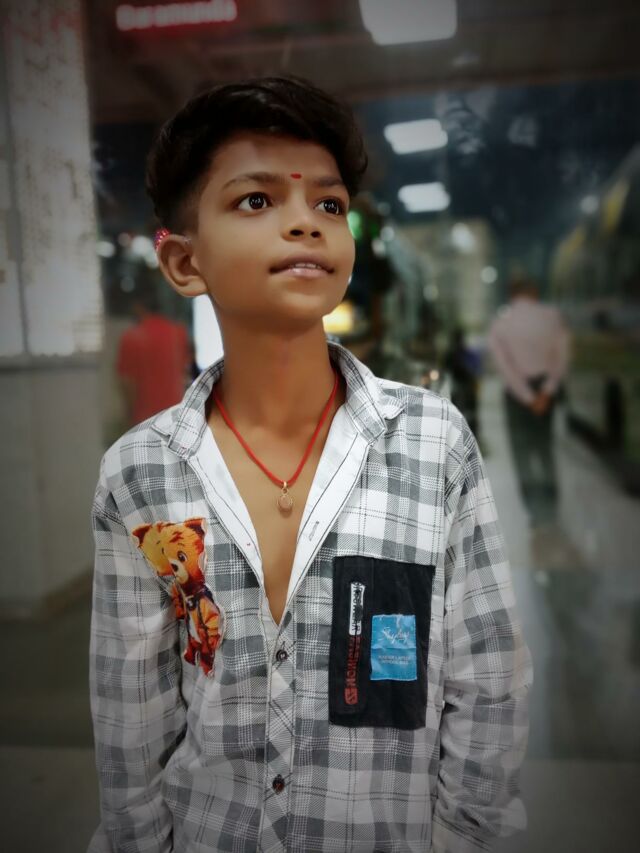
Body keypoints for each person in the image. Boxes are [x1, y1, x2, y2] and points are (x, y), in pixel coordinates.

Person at [89, 76, 532, 853]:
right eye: (257, 199)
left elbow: (487, 675)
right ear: (185, 262)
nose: (306, 222)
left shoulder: (433, 444)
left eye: (329, 204)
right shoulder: (140, 473)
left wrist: (462, 836)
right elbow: (133, 711)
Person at [488, 275, 570, 528]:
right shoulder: (552, 317)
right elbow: (562, 356)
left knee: (521, 453)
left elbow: (504, 367)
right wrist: (546, 391)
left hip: (516, 395)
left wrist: (526, 396)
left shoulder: (501, 323)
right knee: (545, 449)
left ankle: (535, 512)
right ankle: (552, 509)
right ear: (534, 292)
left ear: (511, 294)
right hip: (545, 390)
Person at [116, 292, 191, 425]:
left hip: (145, 420)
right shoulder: (178, 333)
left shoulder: (131, 337)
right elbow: (184, 373)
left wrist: (129, 415)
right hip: (175, 417)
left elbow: (128, 383)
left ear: (138, 307)